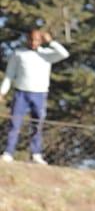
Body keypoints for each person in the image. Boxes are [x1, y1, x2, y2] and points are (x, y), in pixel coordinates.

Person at [1, 25, 69, 164]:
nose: (34, 43)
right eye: (31, 39)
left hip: (40, 94)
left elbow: (64, 54)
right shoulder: (18, 53)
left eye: (37, 40)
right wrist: (2, 92)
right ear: (27, 39)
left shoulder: (47, 54)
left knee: (37, 125)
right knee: (15, 123)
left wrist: (51, 42)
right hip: (21, 93)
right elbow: (9, 75)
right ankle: (8, 152)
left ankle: (36, 154)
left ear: (41, 41)